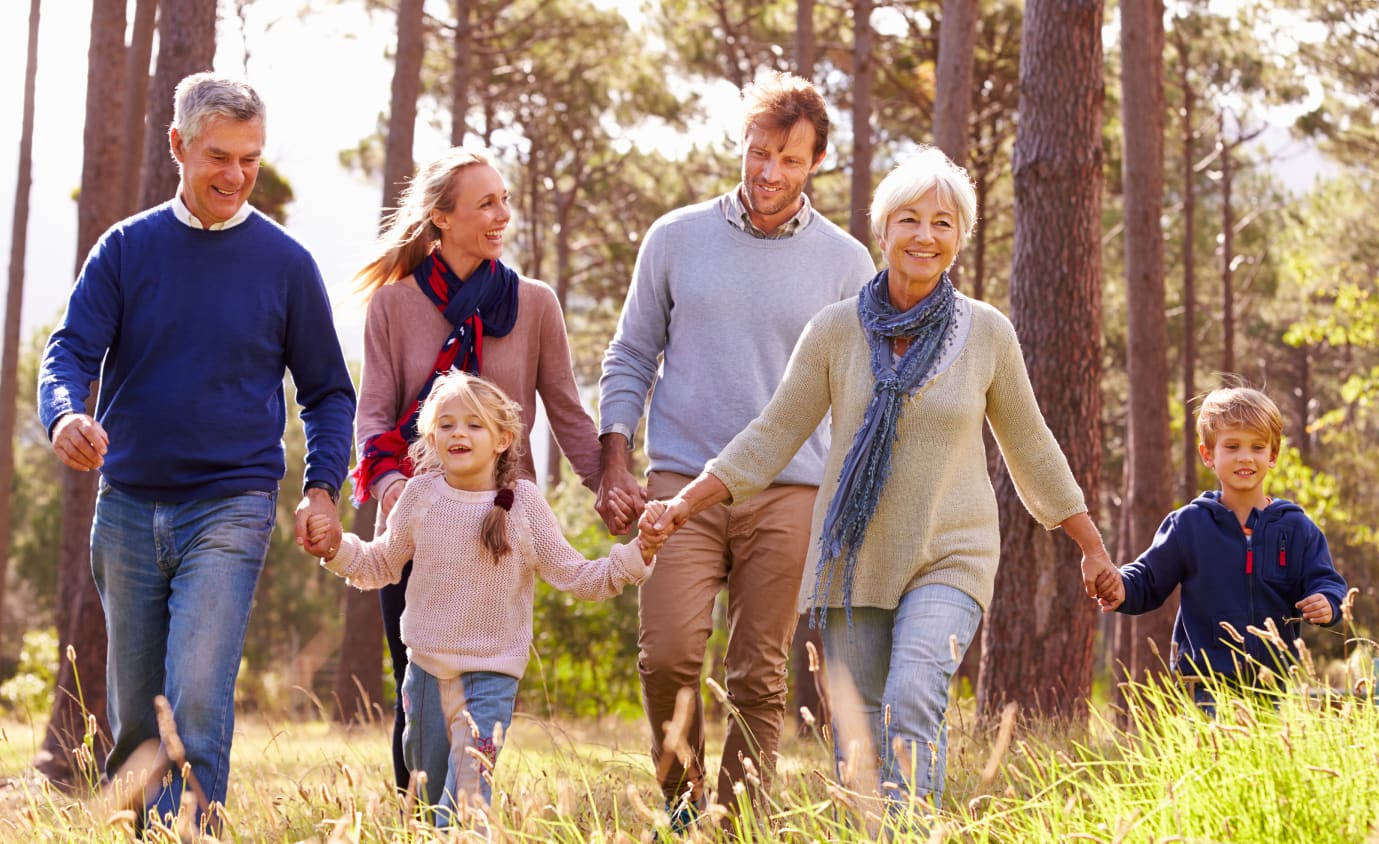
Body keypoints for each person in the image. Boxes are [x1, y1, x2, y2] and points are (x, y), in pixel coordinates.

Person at [642, 147, 1121, 813]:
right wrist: (685, 501)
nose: (925, 235)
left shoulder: (986, 333)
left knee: (913, 694)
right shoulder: (836, 331)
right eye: (909, 219)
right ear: (884, 229)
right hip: (856, 558)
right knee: (860, 733)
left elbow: (1031, 445)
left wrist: (1089, 544)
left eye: (943, 223)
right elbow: (774, 433)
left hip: (951, 554)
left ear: (960, 237)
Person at [36, 73, 356, 829]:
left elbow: (327, 391)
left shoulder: (285, 264)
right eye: (219, 156)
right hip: (127, 509)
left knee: (199, 694)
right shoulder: (126, 249)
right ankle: (142, 828)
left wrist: (320, 487)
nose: (236, 175)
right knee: (140, 712)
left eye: (249, 159)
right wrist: (61, 418)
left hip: (232, 503)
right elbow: (69, 353)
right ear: (178, 146)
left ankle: (194, 832)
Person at [596, 71, 876, 821]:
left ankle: (738, 824)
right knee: (668, 655)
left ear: (815, 162)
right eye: (759, 153)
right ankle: (683, 810)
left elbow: (860, 391)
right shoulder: (675, 237)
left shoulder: (847, 264)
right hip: (680, 484)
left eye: (789, 159)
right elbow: (630, 354)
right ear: (742, 146)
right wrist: (614, 460)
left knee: (757, 675)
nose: (769, 173)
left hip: (790, 489)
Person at [349, 147, 610, 792]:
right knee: (416, 693)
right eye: (486, 203)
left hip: (500, 525)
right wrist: (394, 495)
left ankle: (466, 817)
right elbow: (374, 416)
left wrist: (608, 486)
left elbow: (569, 412)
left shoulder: (536, 304)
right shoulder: (392, 306)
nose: (503, 215)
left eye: (505, 200)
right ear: (441, 218)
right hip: (419, 523)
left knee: (486, 694)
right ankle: (415, 822)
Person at [306, 372, 657, 827]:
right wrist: (336, 549)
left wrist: (638, 554)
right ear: (432, 436)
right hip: (426, 676)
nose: (458, 433)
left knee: (467, 801)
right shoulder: (421, 495)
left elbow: (578, 576)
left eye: (473, 425)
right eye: (447, 424)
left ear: (502, 438)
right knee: (429, 798)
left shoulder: (523, 506)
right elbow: (380, 564)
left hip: (490, 679)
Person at [1108, 384, 1348, 707]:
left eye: (1257, 447)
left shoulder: (1296, 529)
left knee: (1266, 757)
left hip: (1272, 687)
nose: (1245, 457)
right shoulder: (1189, 525)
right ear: (1209, 454)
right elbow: (1147, 579)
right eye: (1232, 446)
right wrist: (1119, 587)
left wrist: (1328, 602)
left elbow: (1327, 580)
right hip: (1205, 686)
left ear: (1273, 455)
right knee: (1212, 756)